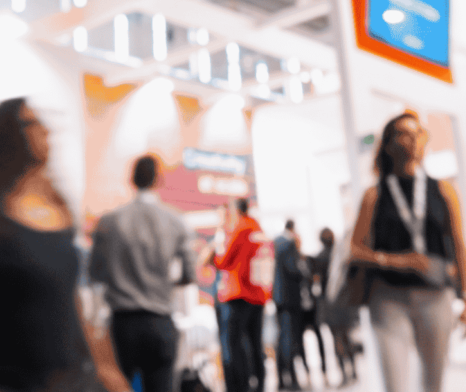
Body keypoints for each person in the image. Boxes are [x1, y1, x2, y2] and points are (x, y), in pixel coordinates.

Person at [0, 98, 130, 392]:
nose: (46, 131)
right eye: (32, 123)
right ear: (9, 136)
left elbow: (69, 299)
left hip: (76, 382)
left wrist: (108, 370)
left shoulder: (57, 210)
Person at [348, 112, 466, 392]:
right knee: (396, 385)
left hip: (435, 295)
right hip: (388, 299)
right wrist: (395, 260)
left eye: (417, 133)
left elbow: (460, 245)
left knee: (434, 382)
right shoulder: (374, 194)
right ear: (389, 144)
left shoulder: (443, 190)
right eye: (404, 133)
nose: (412, 140)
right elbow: (355, 250)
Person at [89, 155, 196, 392]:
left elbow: (95, 275)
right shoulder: (175, 220)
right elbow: (189, 273)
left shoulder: (109, 222)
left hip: (122, 325)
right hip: (160, 322)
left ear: (132, 180)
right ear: (159, 180)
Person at [210, 198, 269, 392]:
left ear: (236, 210)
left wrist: (211, 257)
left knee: (233, 345)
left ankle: (241, 386)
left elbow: (225, 260)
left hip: (238, 294)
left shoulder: (240, 228)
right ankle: (260, 385)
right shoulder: (257, 227)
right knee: (255, 344)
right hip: (257, 295)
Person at [315, 227, 358, 385]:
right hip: (345, 302)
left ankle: (345, 374)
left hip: (330, 304)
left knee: (337, 339)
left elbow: (316, 283)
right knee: (347, 337)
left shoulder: (319, 258)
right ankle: (354, 371)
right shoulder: (342, 254)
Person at [272, 220, 308, 390]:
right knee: (289, 339)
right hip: (290, 298)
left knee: (281, 339)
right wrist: (305, 271)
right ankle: (292, 380)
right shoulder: (289, 243)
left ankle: (281, 379)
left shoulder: (275, 242)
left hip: (279, 297)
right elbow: (293, 269)